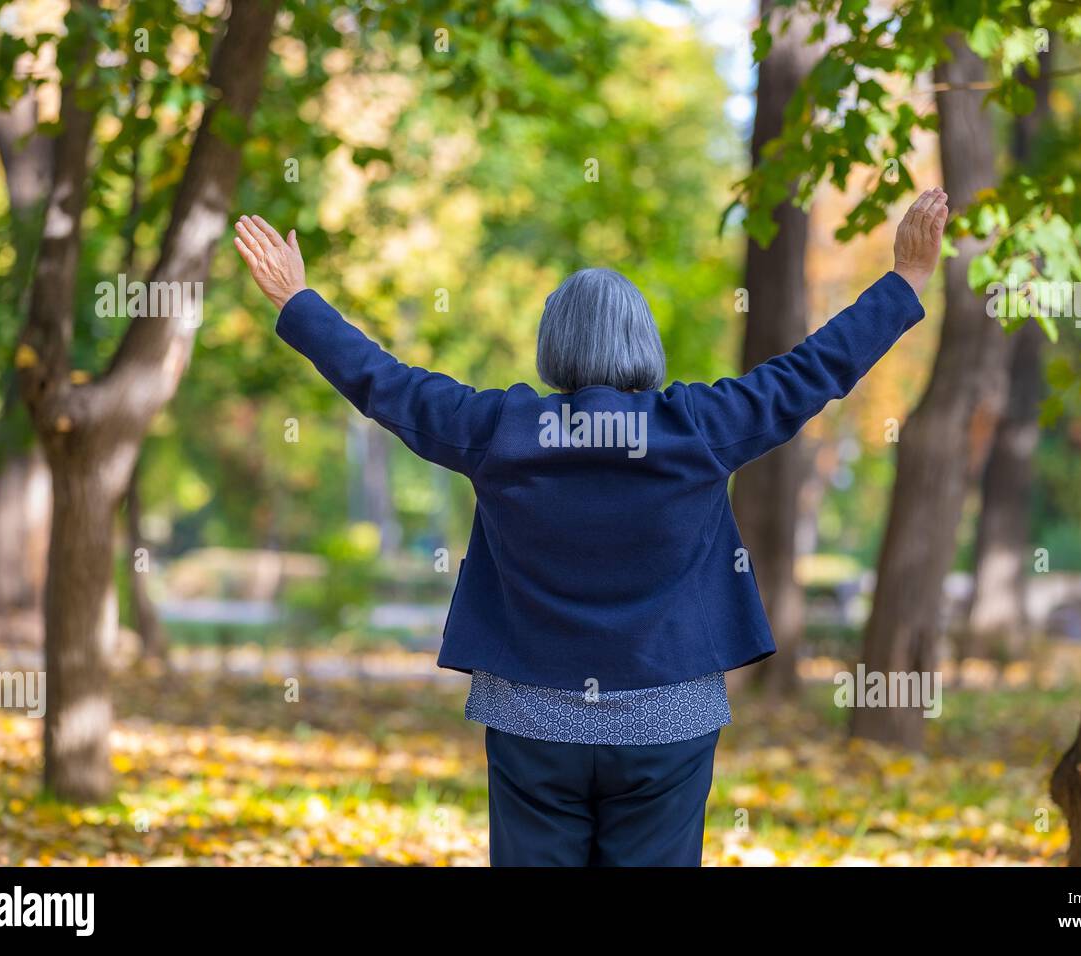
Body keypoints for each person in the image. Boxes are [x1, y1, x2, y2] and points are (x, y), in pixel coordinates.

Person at [233, 187, 949, 866]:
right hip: (667, 718)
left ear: (555, 345)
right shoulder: (698, 428)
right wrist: (905, 281)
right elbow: (809, 372)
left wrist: (299, 302)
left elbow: (386, 385)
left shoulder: (501, 430)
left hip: (532, 720)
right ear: (644, 343)